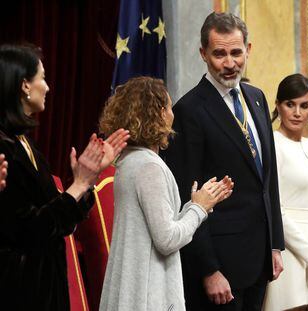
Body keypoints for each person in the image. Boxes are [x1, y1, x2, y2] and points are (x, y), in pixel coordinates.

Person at [165, 12, 284, 311]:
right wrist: (208, 270)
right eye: (219, 54)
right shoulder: (189, 110)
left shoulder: (256, 98)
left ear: (248, 50)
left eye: (236, 52)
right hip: (221, 268)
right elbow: (185, 197)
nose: (230, 63)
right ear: (203, 53)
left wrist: (274, 244)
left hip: (259, 261)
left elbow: (268, 181)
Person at [0, 44, 129, 310]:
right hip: (20, 292)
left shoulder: (24, 142)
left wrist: (86, 183)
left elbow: (61, 222)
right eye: (42, 78)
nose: (47, 87)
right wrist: (79, 183)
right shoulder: (5, 149)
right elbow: (31, 230)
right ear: (25, 85)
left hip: (44, 288)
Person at [98, 76, 234, 311]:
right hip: (149, 294)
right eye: (170, 107)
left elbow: (155, 228)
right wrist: (198, 209)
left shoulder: (130, 160)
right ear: (160, 113)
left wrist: (197, 205)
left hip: (138, 285)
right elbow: (167, 239)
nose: (173, 114)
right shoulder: (150, 167)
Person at [263, 73, 308, 311]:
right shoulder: (273, 144)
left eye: (304, 106)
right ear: (278, 106)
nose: (297, 112)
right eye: (290, 104)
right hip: (286, 250)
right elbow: (276, 208)